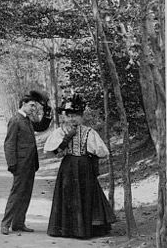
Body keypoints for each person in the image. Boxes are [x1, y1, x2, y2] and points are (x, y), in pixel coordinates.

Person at [43, 94, 116, 239]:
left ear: (81, 116)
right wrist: (67, 138)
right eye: (69, 116)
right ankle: (67, 229)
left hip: (84, 167)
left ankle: (86, 229)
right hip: (68, 167)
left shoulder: (89, 132)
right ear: (65, 117)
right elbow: (55, 152)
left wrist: (92, 159)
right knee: (68, 194)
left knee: (86, 195)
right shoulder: (61, 132)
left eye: (76, 116)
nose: (72, 119)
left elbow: (102, 152)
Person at [1, 90, 53, 235]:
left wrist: (47, 112)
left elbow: (41, 127)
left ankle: (18, 223)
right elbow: (9, 144)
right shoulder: (15, 120)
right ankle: (5, 224)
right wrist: (12, 164)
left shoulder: (27, 120)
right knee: (16, 194)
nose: (33, 109)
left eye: (35, 106)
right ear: (23, 104)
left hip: (30, 163)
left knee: (26, 194)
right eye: (31, 105)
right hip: (20, 164)